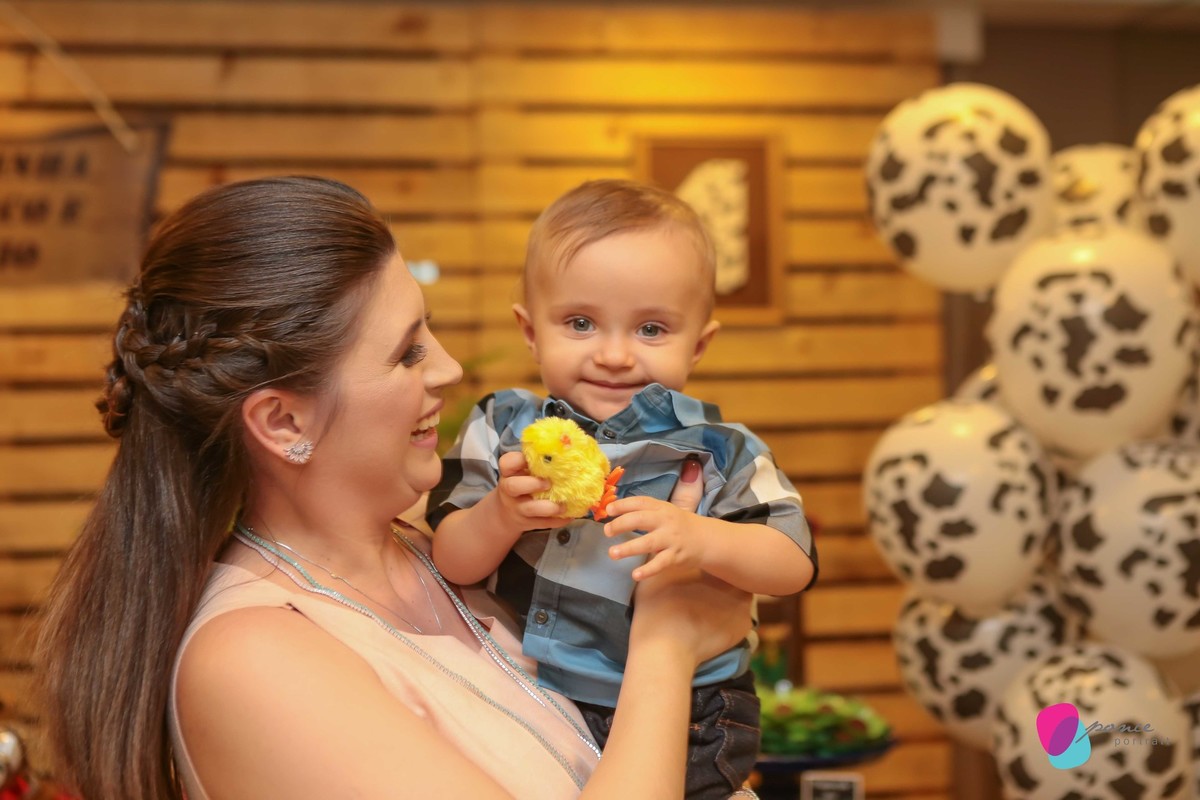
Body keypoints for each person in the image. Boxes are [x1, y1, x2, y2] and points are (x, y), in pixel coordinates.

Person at [33, 176, 756, 800]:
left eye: (428, 332)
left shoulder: (448, 548)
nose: (448, 369)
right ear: (284, 422)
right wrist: (667, 641)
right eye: (407, 352)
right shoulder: (254, 660)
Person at [428, 179, 818, 800]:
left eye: (652, 329)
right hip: (529, 691)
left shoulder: (719, 449)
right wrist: (502, 514)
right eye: (580, 323)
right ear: (530, 331)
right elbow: (451, 559)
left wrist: (702, 537)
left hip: (693, 709)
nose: (614, 355)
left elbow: (793, 562)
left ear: (699, 344)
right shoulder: (503, 426)